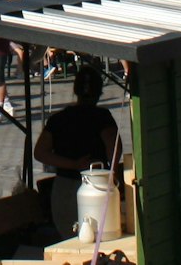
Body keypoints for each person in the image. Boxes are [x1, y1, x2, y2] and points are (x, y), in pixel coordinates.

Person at [33, 67, 123, 236]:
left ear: (75, 91)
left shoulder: (58, 119)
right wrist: (114, 173)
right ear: (99, 93)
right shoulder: (102, 117)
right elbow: (114, 146)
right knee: (99, 234)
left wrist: (72, 164)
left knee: (69, 236)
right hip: (97, 183)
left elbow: (40, 152)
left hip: (64, 185)